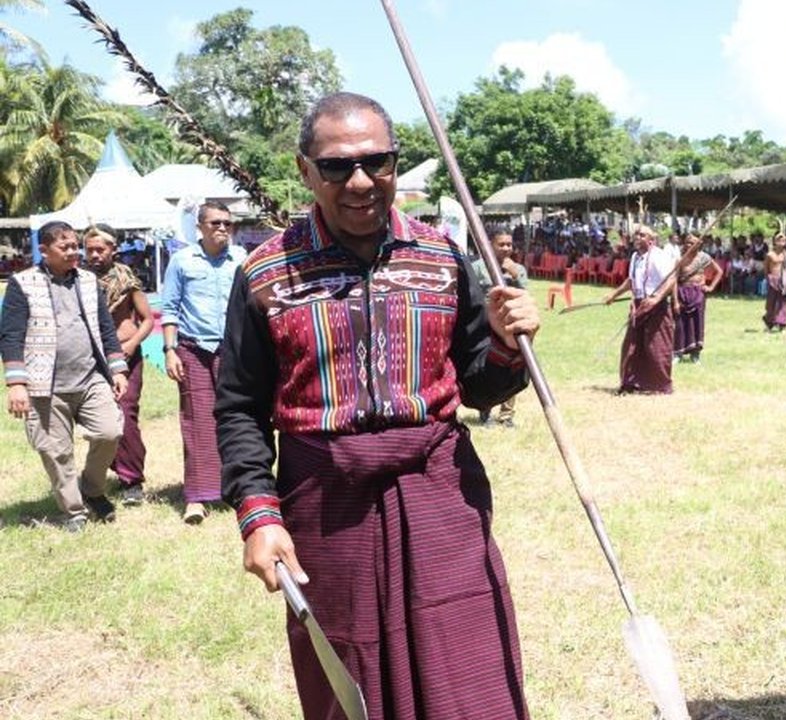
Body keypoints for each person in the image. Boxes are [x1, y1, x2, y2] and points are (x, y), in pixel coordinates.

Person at [215, 92, 537, 720]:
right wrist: (259, 515)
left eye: (378, 162)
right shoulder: (264, 273)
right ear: (305, 169)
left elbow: (479, 386)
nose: (360, 182)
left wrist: (504, 346)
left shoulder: (443, 257)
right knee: (347, 679)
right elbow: (239, 406)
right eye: (337, 166)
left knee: (468, 667)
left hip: (439, 492)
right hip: (325, 504)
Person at [1, 222, 128, 532]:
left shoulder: (88, 281)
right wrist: (17, 383)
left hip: (90, 378)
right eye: (65, 247)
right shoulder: (22, 283)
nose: (74, 252)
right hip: (45, 386)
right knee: (55, 451)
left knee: (109, 432)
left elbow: (105, 328)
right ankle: (74, 511)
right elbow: (10, 334)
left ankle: (92, 489)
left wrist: (117, 368)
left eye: (75, 245)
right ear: (44, 251)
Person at [160, 200, 246, 524]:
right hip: (194, 349)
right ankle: (197, 497)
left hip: (234, 350)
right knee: (197, 421)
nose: (223, 228)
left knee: (237, 418)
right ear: (200, 227)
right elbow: (169, 309)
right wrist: (170, 350)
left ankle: (239, 490)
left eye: (227, 223)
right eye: (215, 223)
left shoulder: (240, 259)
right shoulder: (182, 261)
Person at [84, 225, 154, 506]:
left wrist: (133, 342)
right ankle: (98, 476)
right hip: (92, 358)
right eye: (89, 249)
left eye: (100, 249)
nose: (94, 255)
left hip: (126, 357)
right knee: (102, 418)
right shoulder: (80, 281)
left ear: (113, 249)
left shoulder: (127, 280)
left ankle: (131, 480)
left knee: (126, 413)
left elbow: (147, 318)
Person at [604, 224, 676, 393]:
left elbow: (671, 278)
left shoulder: (660, 256)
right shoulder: (636, 257)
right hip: (639, 305)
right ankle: (631, 383)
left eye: (642, 235)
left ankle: (660, 386)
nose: (637, 237)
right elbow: (631, 281)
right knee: (631, 345)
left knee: (656, 346)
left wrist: (657, 298)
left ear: (652, 240)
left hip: (656, 306)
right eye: (636, 234)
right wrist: (613, 295)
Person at [472, 231, 528, 427]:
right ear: (491, 245)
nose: (506, 248)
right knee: (486, 365)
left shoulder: (518, 268)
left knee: (511, 367)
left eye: (509, 245)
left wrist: (514, 275)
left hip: (510, 323)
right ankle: (485, 411)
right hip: (486, 323)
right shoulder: (478, 267)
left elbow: (525, 294)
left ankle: (507, 415)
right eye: (501, 244)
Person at [673, 232, 722, 364]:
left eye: (692, 242)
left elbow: (719, 271)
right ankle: (678, 353)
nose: (689, 244)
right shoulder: (680, 259)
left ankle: (695, 354)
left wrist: (710, 287)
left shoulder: (704, 258)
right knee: (680, 324)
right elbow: (674, 281)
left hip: (698, 293)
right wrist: (675, 301)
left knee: (697, 322)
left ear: (699, 244)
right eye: (687, 242)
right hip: (682, 293)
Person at [762, 233, 786, 331]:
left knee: (783, 302)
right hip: (772, 280)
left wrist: (785, 281)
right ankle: (769, 323)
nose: (781, 243)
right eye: (779, 240)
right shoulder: (770, 255)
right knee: (772, 303)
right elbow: (766, 269)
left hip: (783, 279)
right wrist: (769, 280)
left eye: (783, 241)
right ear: (775, 241)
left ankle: (782, 324)